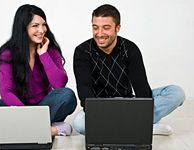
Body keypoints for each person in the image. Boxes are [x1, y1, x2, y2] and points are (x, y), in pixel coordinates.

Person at [73, 4, 185, 136]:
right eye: (95, 27)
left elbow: (141, 87)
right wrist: (98, 113)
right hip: (100, 106)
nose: (99, 33)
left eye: (106, 28)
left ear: (117, 28)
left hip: (128, 103)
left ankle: (127, 125)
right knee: (79, 124)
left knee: (176, 92)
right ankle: (143, 127)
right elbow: (84, 89)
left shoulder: (130, 49)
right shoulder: (83, 51)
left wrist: (142, 109)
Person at [0, 4, 77, 136]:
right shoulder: (7, 53)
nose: (42, 30)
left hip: (43, 108)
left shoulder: (50, 50)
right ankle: (46, 129)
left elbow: (59, 84)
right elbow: (6, 91)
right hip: (15, 108)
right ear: (23, 28)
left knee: (67, 96)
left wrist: (43, 55)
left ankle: (17, 130)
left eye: (44, 25)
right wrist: (25, 116)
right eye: (35, 26)